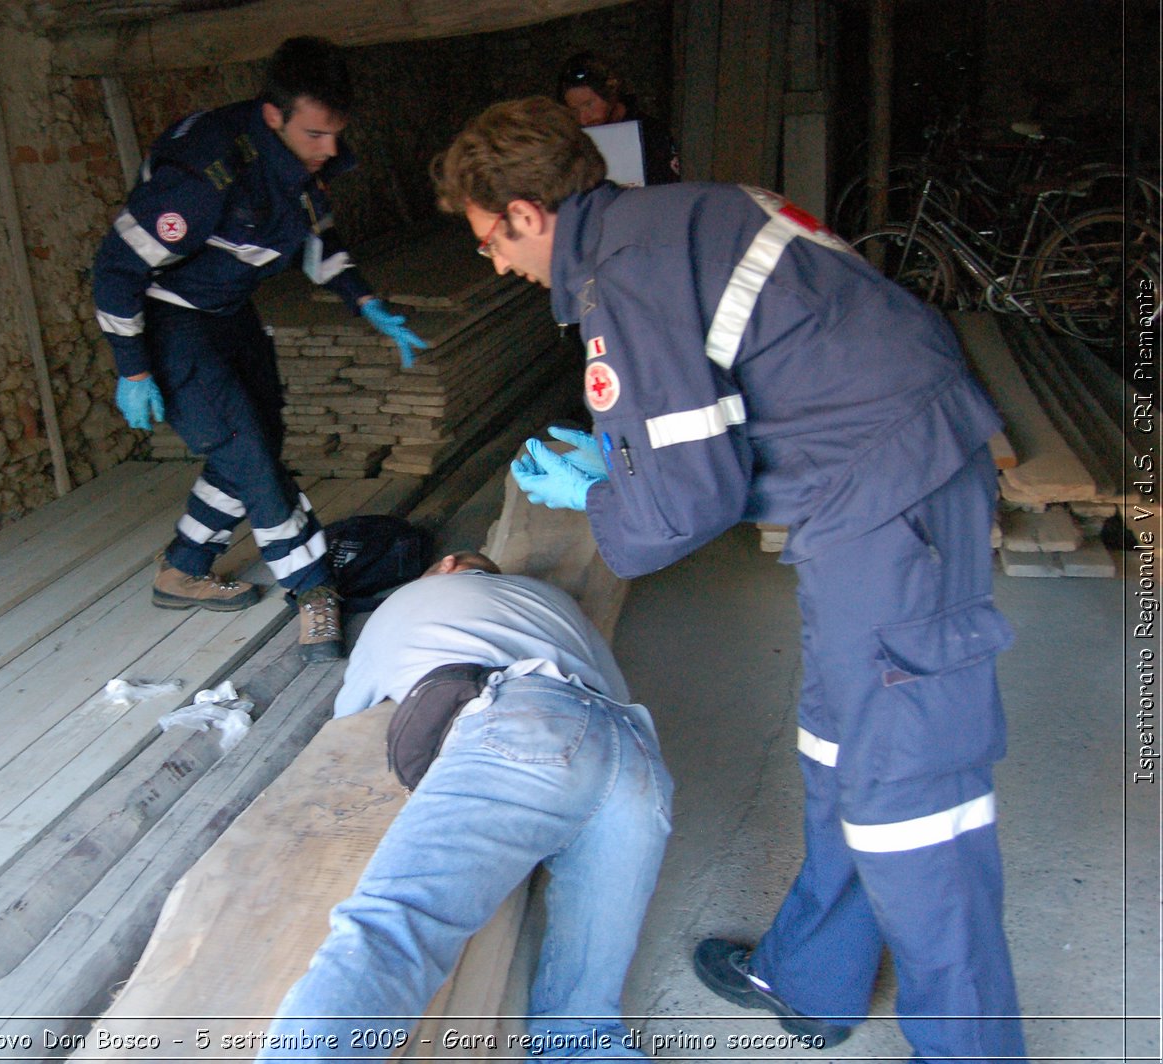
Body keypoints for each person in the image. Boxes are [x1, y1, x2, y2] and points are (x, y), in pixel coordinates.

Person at [432, 97, 1025, 1062]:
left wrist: (605, 495)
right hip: (866, 479)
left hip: (891, 492)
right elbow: (746, 395)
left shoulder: (620, 277)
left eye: (491, 240)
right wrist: (623, 459)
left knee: (912, 796)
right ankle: (814, 978)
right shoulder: (679, 216)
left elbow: (680, 508)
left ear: (529, 213)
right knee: (838, 745)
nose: (495, 264)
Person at [259, 551, 673, 1061]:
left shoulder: (406, 600)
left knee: (395, 928)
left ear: (448, 564)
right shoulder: (552, 600)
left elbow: (351, 713)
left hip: (525, 725)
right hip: (633, 753)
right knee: (584, 1024)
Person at [90, 37, 427, 662]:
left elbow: (314, 235)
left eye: (336, 134)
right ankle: (313, 588)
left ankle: (183, 565)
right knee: (248, 454)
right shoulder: (202, 176)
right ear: (274, 116)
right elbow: (114, 270)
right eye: (317, 134)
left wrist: (364, 300)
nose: (331, 149)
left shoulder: (300, 161)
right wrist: (132, 367)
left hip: (229, 309)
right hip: (169, 318)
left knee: (256, 440)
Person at [555, 52, 679, 185]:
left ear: (610, 92)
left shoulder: (651, 133)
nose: (583, 118)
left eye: (589, 104)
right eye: (574, 110)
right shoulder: (572, 138)